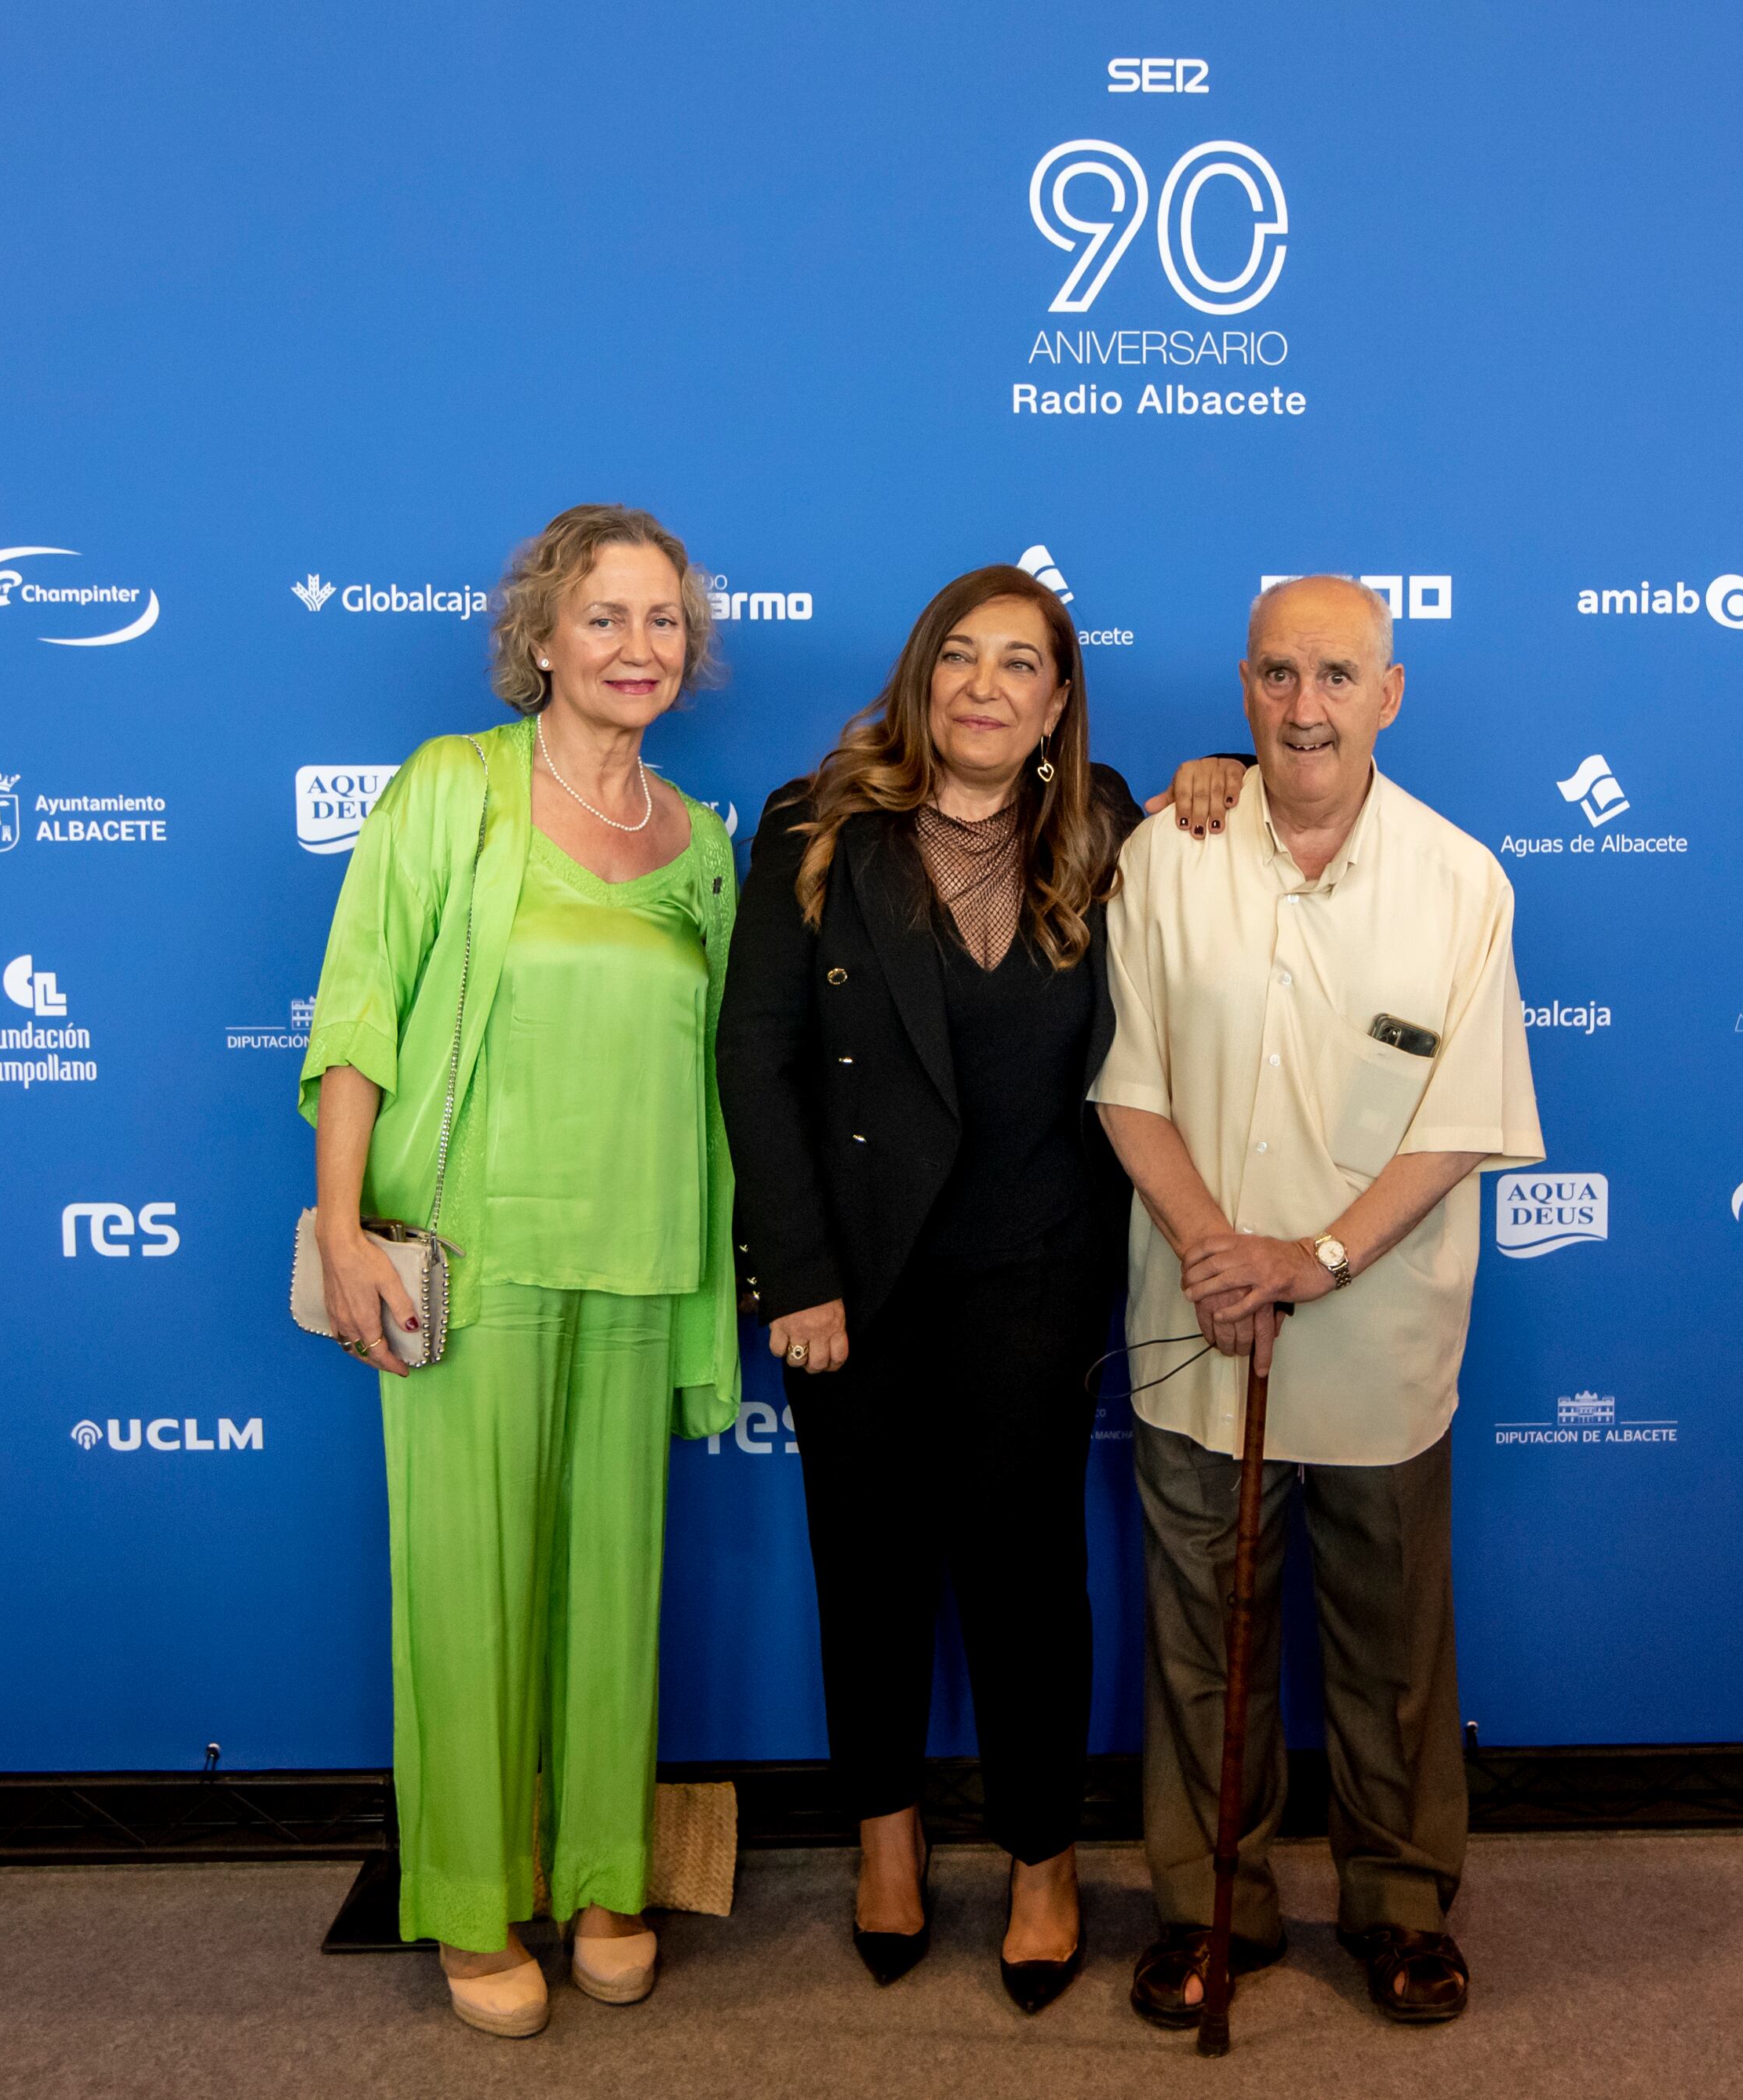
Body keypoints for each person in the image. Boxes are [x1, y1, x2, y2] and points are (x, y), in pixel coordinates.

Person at [300, 503, 741, 2040]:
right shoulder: (452, 791)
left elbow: (719, 1078)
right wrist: (344, 1229)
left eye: (662, 621)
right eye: (605, 617)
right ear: (541, 639)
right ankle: (477, 1901)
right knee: (468, 1599)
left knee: (613, 1599)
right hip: (467, 1268)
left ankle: (611, 1876)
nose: (636, 647)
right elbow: (358, 1010)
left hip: (637, 1265)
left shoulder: (702, 849)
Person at [1090, 574, 1544, 2030]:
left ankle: (1400, 1904)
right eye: (1278, 676)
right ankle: (1209, 1909)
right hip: (1197, 1317)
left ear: (1389, 694)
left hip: (1380, 1331)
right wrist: (1222, 1247)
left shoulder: (1462, 881)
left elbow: (1461, 1118)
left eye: (1338, 676)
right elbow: (1128, 1084)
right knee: (1198, 1642)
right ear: (1241, 687)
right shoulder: (1166, 853)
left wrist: (1315, 1258)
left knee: (1390, 1645)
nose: (1305, 707)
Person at [718, 564, 1152, 2015]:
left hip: (1036, 1265)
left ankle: (1042, 1859)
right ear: (920, 680)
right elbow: (757, 1058)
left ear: (1056, 699)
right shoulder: (814, 823)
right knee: (871, 1573)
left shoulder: (1109, 826)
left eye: (1017, 663)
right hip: (856, 1282)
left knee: (1033, 1581)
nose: (983, 685)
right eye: (957, 657)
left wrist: (1219, 775)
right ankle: (885, 1841)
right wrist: (797, 1273)